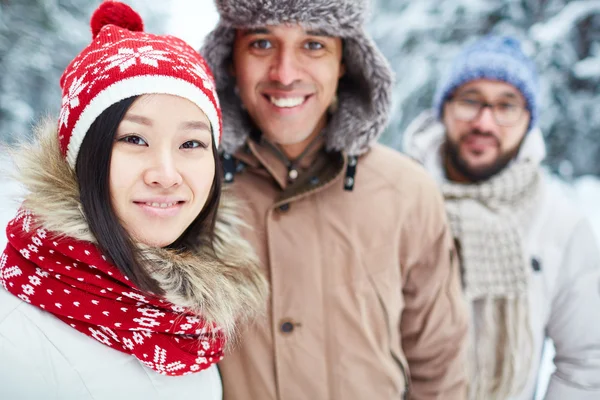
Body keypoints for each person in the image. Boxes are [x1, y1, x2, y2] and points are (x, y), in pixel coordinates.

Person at [200, 0, 469, 399]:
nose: (285, 73)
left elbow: (439, 361)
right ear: (229, 59)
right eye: (261, 43)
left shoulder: (407, 191)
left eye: (313, 45)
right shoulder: (193, 191)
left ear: (345, 60)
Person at [0, 2, 267, 399]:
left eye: (191, 143)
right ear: (82, 157)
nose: (165, 173)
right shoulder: (16, 337)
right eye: (134, 139)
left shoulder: (191, 321)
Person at [403, 35, 600, 400]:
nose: (484, 122)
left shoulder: (560, 223)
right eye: (470, 101)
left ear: (528, 121)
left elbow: (588, 361)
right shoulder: (395, 200)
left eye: (506, 106)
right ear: (443, 108)